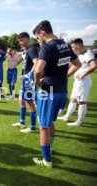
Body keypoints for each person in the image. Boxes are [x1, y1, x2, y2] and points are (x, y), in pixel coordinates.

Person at [33, 20, 81, 167]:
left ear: (42, 33)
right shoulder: (65, 45)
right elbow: (77, 64)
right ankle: (50, 150)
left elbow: (38, 70)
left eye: (37, 37)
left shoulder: (47, 47)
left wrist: (37, 82)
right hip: (62, 91)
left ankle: (46, 160)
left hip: (49, 91)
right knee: (49, 122)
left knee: (43, 126)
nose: (38, 40)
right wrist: (64, 76)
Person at [58, 38, 97, 126]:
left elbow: (94, 65)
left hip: (83, 81)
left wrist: (84, 74)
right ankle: (66, 116)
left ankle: (80, 121)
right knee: (73, 99)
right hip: (78, 81)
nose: (72, 49)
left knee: (81, 101)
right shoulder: (79, 54)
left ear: (78, 45)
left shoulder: (87, 53)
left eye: (73, 47)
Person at [12, 32, 38, 133]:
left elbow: (37, 62)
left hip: (29, 81)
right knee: (21, 100)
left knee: (30, 103)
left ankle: (32, 127)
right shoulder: (27, 50)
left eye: (21, 40)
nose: (20, 43)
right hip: (26, 81)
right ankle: (22, 122)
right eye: (19, 41)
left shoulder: (31, 49)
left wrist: (28, 75)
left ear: (27, 39)